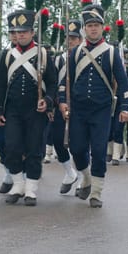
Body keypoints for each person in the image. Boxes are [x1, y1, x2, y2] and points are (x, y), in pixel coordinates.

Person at [58, 4, 128, 208]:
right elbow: (66, 80)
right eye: (89, 25)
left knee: (99, 151)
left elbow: (123, 82)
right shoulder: (76, 53)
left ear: (102, 27)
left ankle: (96, 193)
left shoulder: (111, 52)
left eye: (96, 25)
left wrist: (126, 106)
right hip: (79, 110)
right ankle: (86, 178)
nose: (93, 28)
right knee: (77, 148)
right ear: (84, 28)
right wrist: (63, 101)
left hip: (101, 110)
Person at [0, 9, 57, 206]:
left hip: (35, 111)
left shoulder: (43, 54)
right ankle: (18, 184)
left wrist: (47, 100)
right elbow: (1, 84)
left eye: (25, 31)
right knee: (11, 147)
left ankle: (31, 189)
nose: (21, 35)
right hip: (13, 110)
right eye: (17, 31)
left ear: (32, 32)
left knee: (33, 149)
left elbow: (53, 83)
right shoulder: (7, 55)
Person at [50, 19, 81, 193]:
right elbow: (53, 82)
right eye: (68, 37)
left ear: (80, 40)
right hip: (60, 105)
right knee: (57, 140)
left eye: (74, 38)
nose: (70, 41)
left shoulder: (84, 57)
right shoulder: (58, 59)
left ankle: (83, 178)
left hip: (79, 105)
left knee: (79, 143)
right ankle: (70, 173)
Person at [0, 28, 18, 194]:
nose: (16, 35)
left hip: (28, 108)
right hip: (6, 107)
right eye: (12, 32)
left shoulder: (37, 52)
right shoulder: (4, 55)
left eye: (19, 32)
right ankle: (9, 172)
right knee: (0, 138)